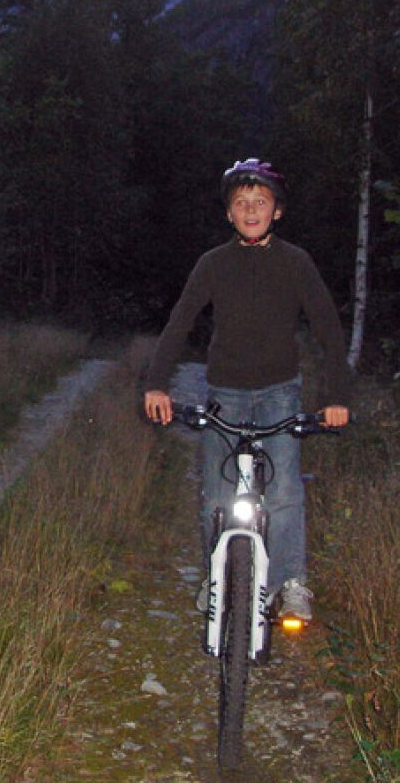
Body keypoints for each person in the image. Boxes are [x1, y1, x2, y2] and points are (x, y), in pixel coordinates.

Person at [142, 159, 351, 624]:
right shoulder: (213, 264)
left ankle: (291, 582)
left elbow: (328, 329)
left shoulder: (296, 262)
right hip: (226, 392)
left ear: (277, 210)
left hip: (279, 392)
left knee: (284, 489)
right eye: (241, 203)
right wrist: (157, 384)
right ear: (229, 213)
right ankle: (214, 576)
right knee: (216, 494)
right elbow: (179, 323)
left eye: (260, 201)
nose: (251, 209)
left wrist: (337, 397)